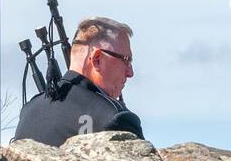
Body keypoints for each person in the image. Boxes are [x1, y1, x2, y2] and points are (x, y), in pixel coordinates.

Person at [12, 16, 143, 146]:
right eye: (126, 60)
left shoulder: (28, 111)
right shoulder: (113, 116)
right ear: (97, 59)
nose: (130, 72)